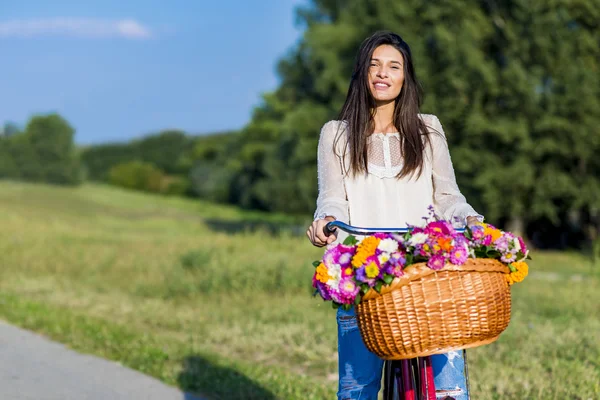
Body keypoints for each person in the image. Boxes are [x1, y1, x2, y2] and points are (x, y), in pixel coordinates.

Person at [305, 30, 483, 400]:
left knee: (451, 390)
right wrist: (326, 221)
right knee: (357, 390)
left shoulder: (427, 129)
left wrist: (469, 219)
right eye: (374, 65)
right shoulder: (336, 135)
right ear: (362, 74)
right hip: (363, 266)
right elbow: (333, 198)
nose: (383, 73)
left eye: (393, 66)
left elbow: (448, 195)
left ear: (405, 78)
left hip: (425, 271)